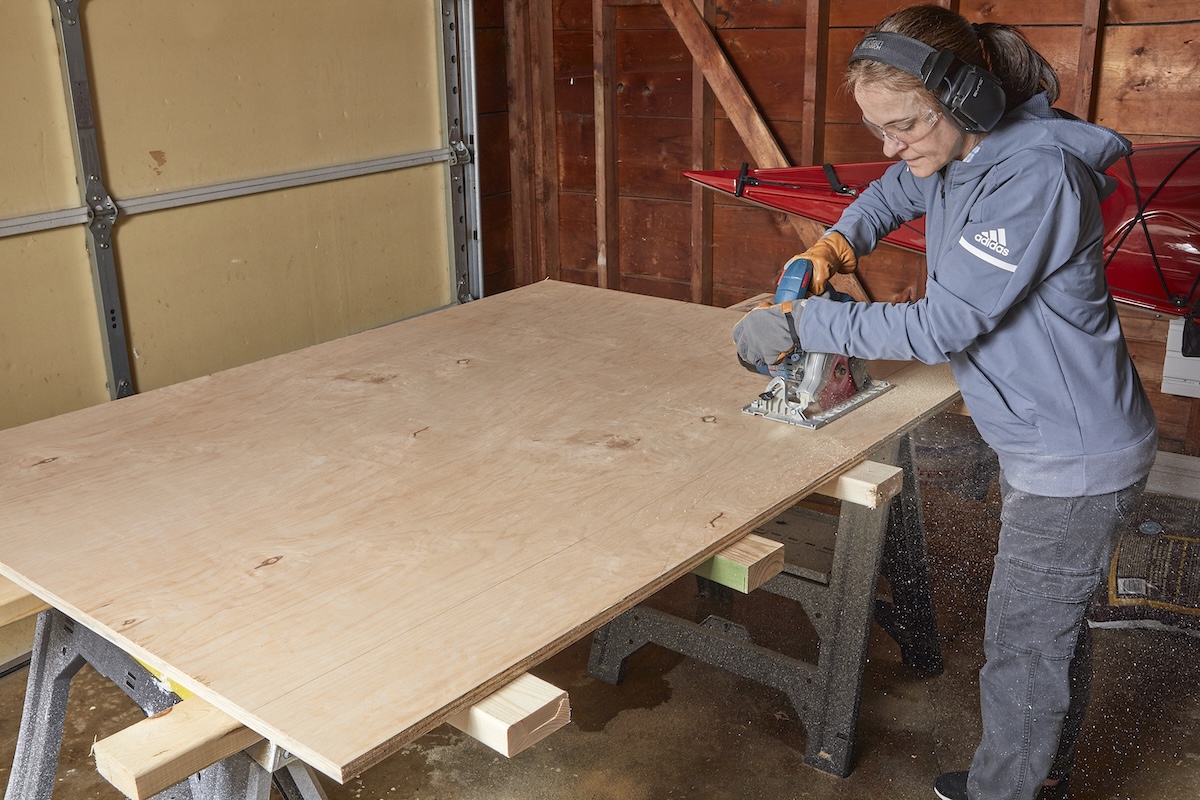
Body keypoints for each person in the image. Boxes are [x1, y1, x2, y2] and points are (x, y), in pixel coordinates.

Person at [732, 6, 1157, 800]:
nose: (893, 147)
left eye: (903, 125)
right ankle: (1046, 775)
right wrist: (836, 244)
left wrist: (801, 325)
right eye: (877, 129)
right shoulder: (956, 151)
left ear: (969, 101)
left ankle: (1009, 792)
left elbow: (944, 323)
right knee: (1048, 630)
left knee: (1023, 644)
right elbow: (895, 188)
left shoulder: (1034, 177)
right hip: (1044, 437)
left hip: (1074, 456)